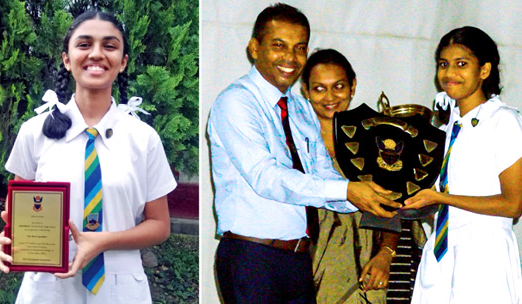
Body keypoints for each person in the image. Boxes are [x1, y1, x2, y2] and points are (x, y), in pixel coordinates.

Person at [207, 4, 401, 303]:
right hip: (252, 257)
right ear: (254, 48)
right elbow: (266, 178)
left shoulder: (299, 109)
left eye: (299, 48)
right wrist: (349, 190)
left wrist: (375, 196)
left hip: (299, 260)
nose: (290, 58)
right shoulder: (235, 103)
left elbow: (322, 174)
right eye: (278, 46)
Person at [0, 11, 177, 303]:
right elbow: (18, 212)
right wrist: (10, 240)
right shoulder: (35, 131)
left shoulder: (144, 139)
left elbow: (159, 225)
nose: (96, 54)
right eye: (84, 44)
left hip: (120, 289)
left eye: (109, 45)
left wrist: (102, 241)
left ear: (123, 61)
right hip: (48, 287)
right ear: (66, 59)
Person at [403, 26, 522, 303]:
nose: (449, 73)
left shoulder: (503, 121)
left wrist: (440, 198)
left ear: (484, 70)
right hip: (441, 251)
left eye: (462, 64)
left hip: (484, 254)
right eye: (443, 64)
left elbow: (514, 203)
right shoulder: (444, 128)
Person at [301, 48, 400, 304]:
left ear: (353, 86)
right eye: (319, 88)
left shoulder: (376, 139)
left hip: (365, 262)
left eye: (339, 86)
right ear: (305, 90)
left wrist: (386, 254)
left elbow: (393, 205)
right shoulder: (294, 140)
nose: (330, 97)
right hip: (306, 263)